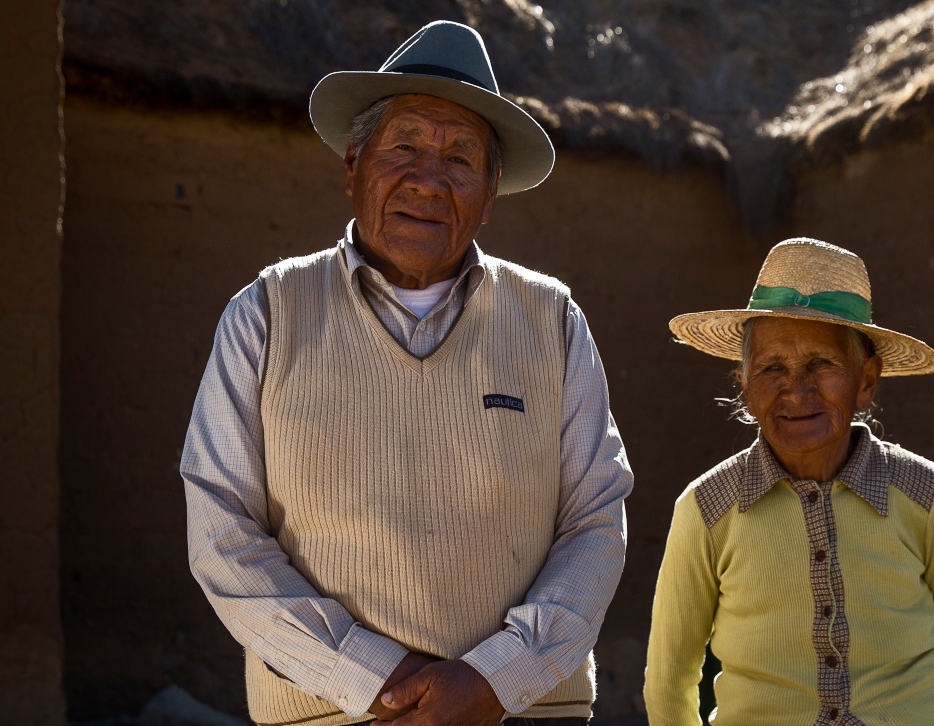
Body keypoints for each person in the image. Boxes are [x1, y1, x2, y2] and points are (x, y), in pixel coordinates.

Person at [180, 21, 632, 726]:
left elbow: (596, 521)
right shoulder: (267, 313)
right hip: (329, 716)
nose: (428, 179)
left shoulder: (552, 320)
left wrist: (494, 678)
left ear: (490, 190)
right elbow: (221, 529)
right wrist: (370, 674)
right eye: (405, 146)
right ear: (353, 164)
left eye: (460, 157)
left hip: (523, 713)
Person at [644, 238, 934, 725]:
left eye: (822, 364)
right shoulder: (708, 509)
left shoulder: (927, 495)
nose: (797, 388)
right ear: (744, 386)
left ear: (866, 381)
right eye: (771, 367)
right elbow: (669, 683)